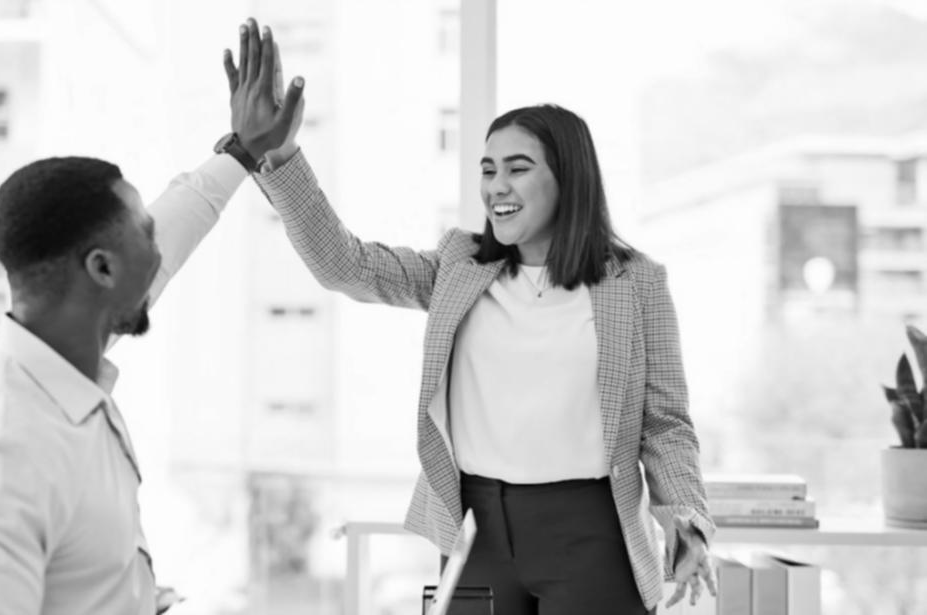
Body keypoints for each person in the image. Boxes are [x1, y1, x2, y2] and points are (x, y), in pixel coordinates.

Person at [229, 40, 716, 613]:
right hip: (477, 529)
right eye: (488, 170)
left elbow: (665, 424)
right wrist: (281, 153)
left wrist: (685, 518)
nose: (495, 186)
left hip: (592, 533)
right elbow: (345, 264)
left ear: (569, 178)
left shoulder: (636, 283)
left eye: (517, 168)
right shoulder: (459, 267)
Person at [0, 20, 303, 615]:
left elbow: (174, 226)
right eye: (144, 236)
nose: (159, 253)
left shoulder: (53, 361)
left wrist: (244, 152)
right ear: (101, 268)